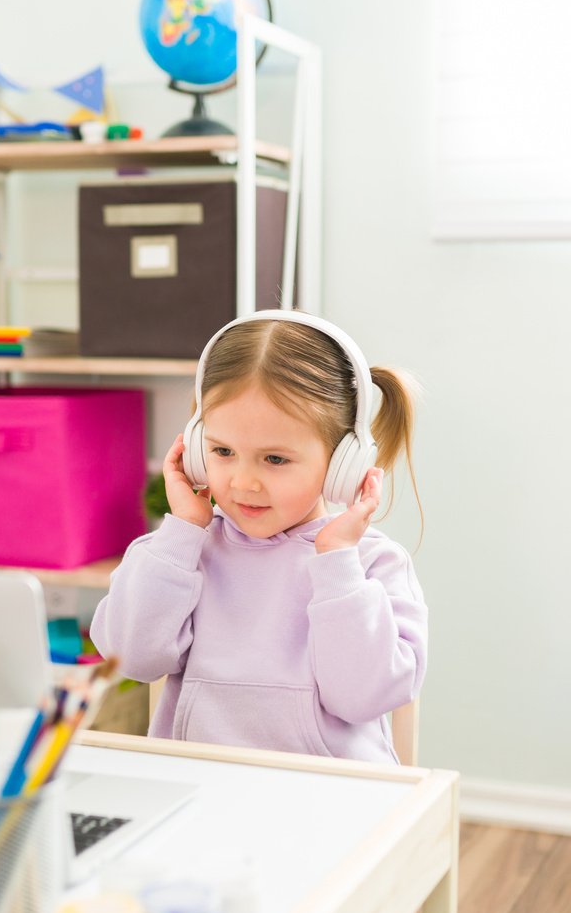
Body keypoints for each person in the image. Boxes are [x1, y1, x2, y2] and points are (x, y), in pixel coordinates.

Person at [90, 310, 427, 764]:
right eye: (223, 451)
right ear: (194, 446)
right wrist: (183, 532)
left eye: (274, 459)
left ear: (343, 462)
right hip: (199, 791)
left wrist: (337, 564)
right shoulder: (181, 552)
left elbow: (361, 698)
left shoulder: (369, 564)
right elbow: (129, 657)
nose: (244, 483)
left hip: (328, 803)